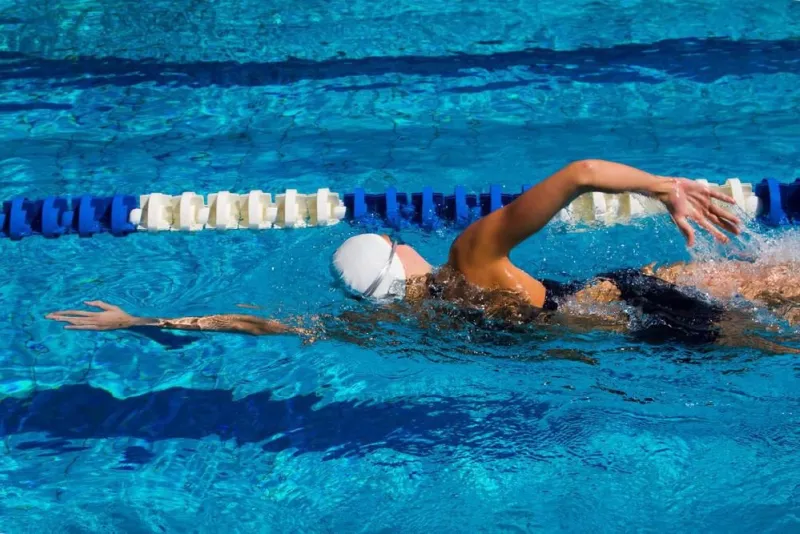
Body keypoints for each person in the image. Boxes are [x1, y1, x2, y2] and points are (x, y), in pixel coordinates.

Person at [47, 160, 800, 352]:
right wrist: (665, 189)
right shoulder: (468, 256)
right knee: (779, 282)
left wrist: (142, 317)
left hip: (631, 339)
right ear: (401, 250)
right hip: (620, 296)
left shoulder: (400, 327)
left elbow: (261, 325)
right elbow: (578, 176)